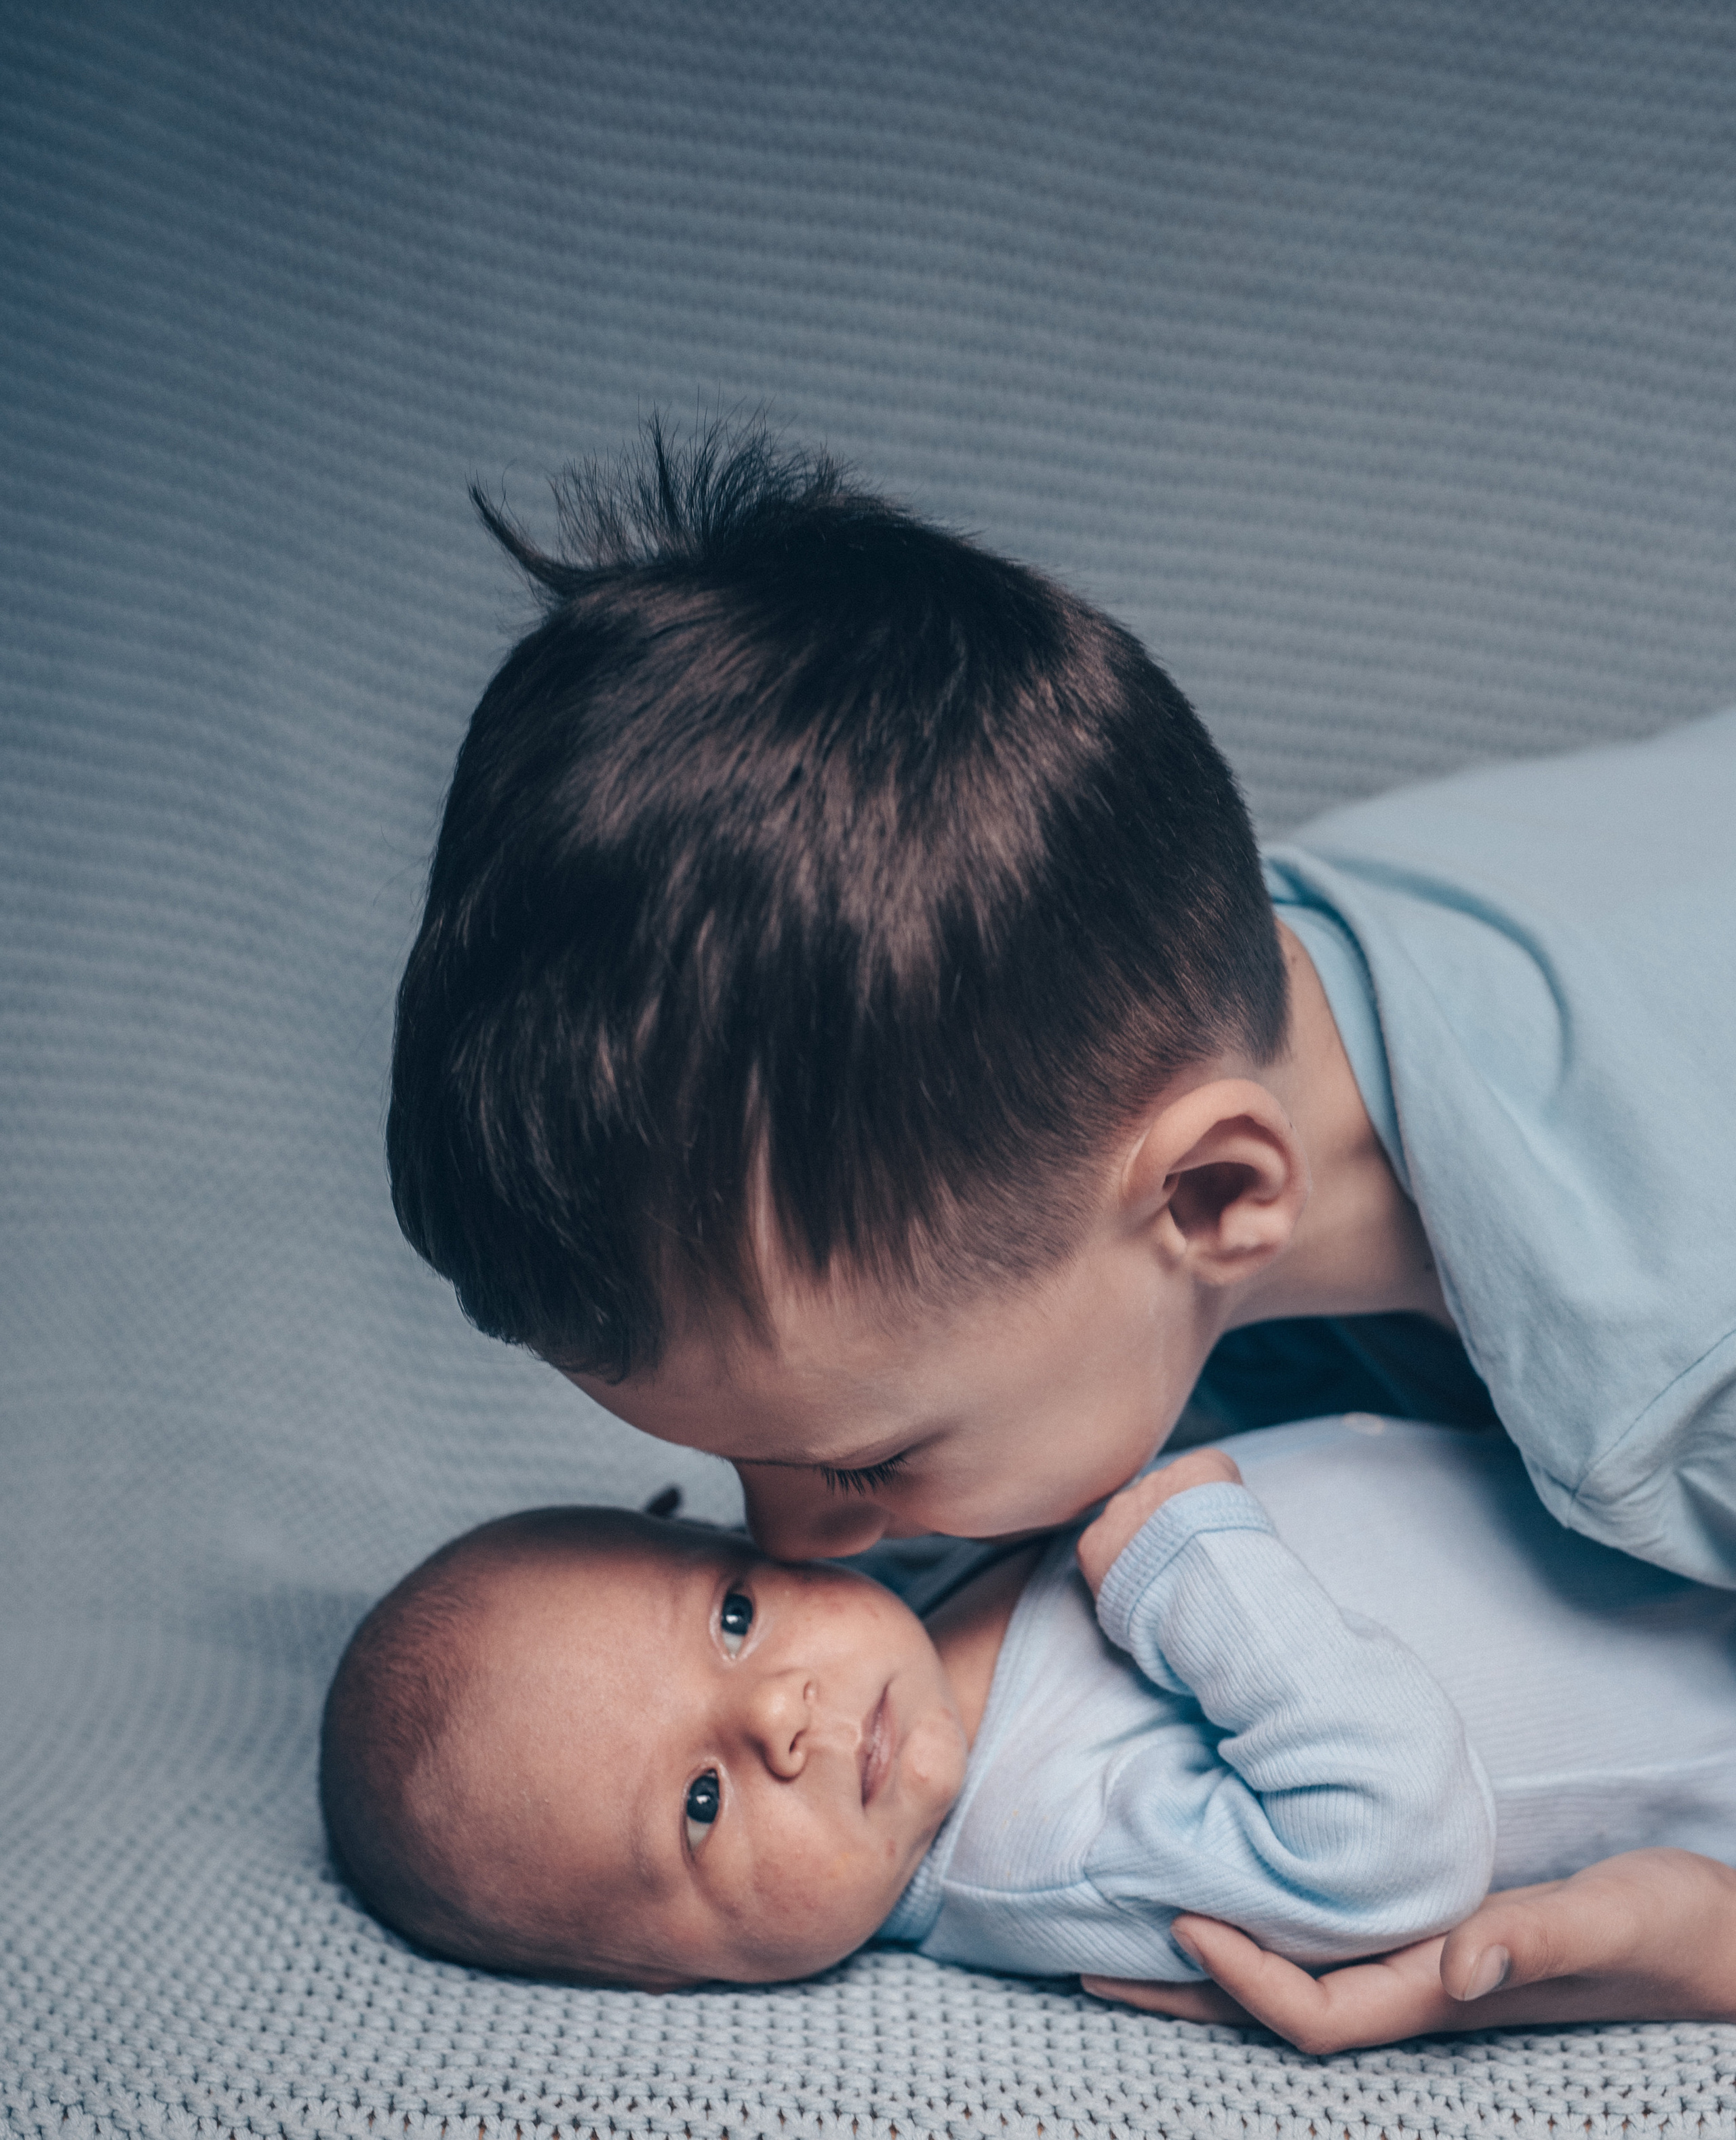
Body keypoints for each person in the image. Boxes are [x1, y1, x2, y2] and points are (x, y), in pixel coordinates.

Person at [382, 422, 1736, 2046]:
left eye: (864, 1463)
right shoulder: (1175, 973)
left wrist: (1706, 1950)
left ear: (1215, 1199)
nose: (799, 1549)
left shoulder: (1679, 1386)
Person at [320, 1416, 1736, 2048]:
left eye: (732, 1620)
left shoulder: (926, 1584)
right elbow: (1392, 1850)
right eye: (697, 1806)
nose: (778, 1718)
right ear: (661, 1980)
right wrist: (1192, 1569)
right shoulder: (1034, 1851)